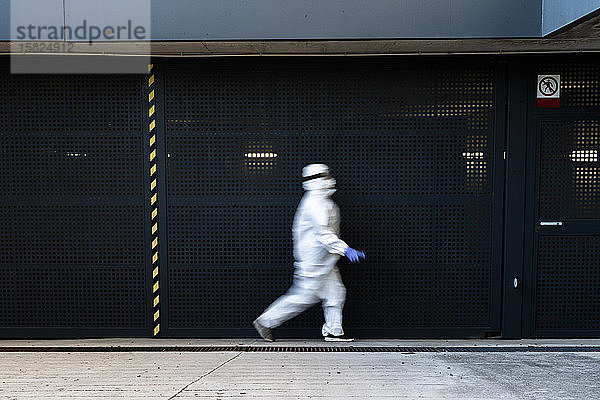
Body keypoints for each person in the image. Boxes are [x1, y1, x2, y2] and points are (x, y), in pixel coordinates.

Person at [253, 164, 365, 342]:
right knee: (302, 297)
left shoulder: (322, 201)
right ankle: (265, 321)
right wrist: (345, 249)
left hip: (324, 261)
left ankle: (333, 331)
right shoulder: (314, 203)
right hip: (313, 263)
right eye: (325, 175)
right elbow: (324, 234)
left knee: (336, 293)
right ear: (317, 178)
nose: (329, 178)